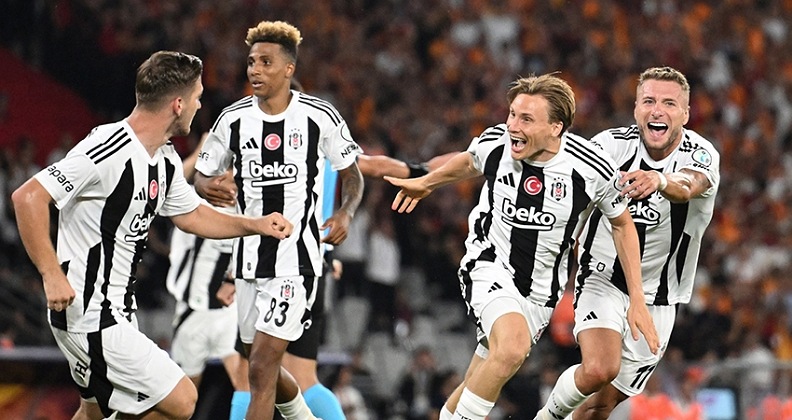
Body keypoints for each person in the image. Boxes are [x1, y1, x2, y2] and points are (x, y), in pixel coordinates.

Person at [11, 50, 293, 420]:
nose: (199, 105)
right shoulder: (109, 147)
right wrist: (51, 274)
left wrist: (256, 225)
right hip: (89, 312)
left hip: (116, 311)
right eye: (197, 97)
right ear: (178, 104)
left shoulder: (164, 158)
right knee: (182, 400)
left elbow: (192, 216)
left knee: (94, 413)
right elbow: (28, 197)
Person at [386, 73, 659, 420]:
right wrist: (427, 182)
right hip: (490, 263)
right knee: (511, 348)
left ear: (556, 127)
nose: (513, 125)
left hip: (541, 292)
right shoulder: (497, 143)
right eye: (512, 114)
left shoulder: (591, 169)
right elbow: (470, 161)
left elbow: (622, 224)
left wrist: (637, 298)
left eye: (526, 119)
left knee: (485, 371)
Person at [193, 20, 364, 420]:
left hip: (296, 263)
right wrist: (206, 185)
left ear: (289, 69)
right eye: (251, 61)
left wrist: (345, 212)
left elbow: (353, 174)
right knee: (261, 365)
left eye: (265, 62)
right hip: (248, 263)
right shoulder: (232, 120)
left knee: (260, 367)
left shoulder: (319, 116)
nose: (255, 69)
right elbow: (202, 174)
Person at [534, 66, 720, 420]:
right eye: (648, 101)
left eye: (669, 103)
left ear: (685, 114)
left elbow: (689, 185)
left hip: (660, 297)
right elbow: (567, 190)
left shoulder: (701, 154)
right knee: (599, 368)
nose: (657, 110)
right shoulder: (608, 146)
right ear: (636, 109)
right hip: (602, 277)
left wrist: (659, 181)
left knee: (599, 406)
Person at [165, 134, 245, 393]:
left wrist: (233, 280)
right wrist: (200, 150)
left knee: (246, 385)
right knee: (184, 397)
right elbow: (167, 181)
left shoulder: (248, 209)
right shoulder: (193, 201)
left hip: (229, 312)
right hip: (193, 311)